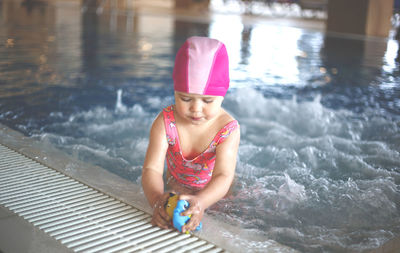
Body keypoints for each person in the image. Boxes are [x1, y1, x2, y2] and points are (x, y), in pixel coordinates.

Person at [141, 36, 240, 233]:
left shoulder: (227, 129)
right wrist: (156, 200)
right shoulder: (165, 122)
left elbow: (223, 175)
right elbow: (151, 169)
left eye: (207, 101)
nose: (196, 108)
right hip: (178, 189)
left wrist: (202, 202)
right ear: (175, 91)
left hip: (216, 195)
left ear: (223, 95)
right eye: (185, 98)